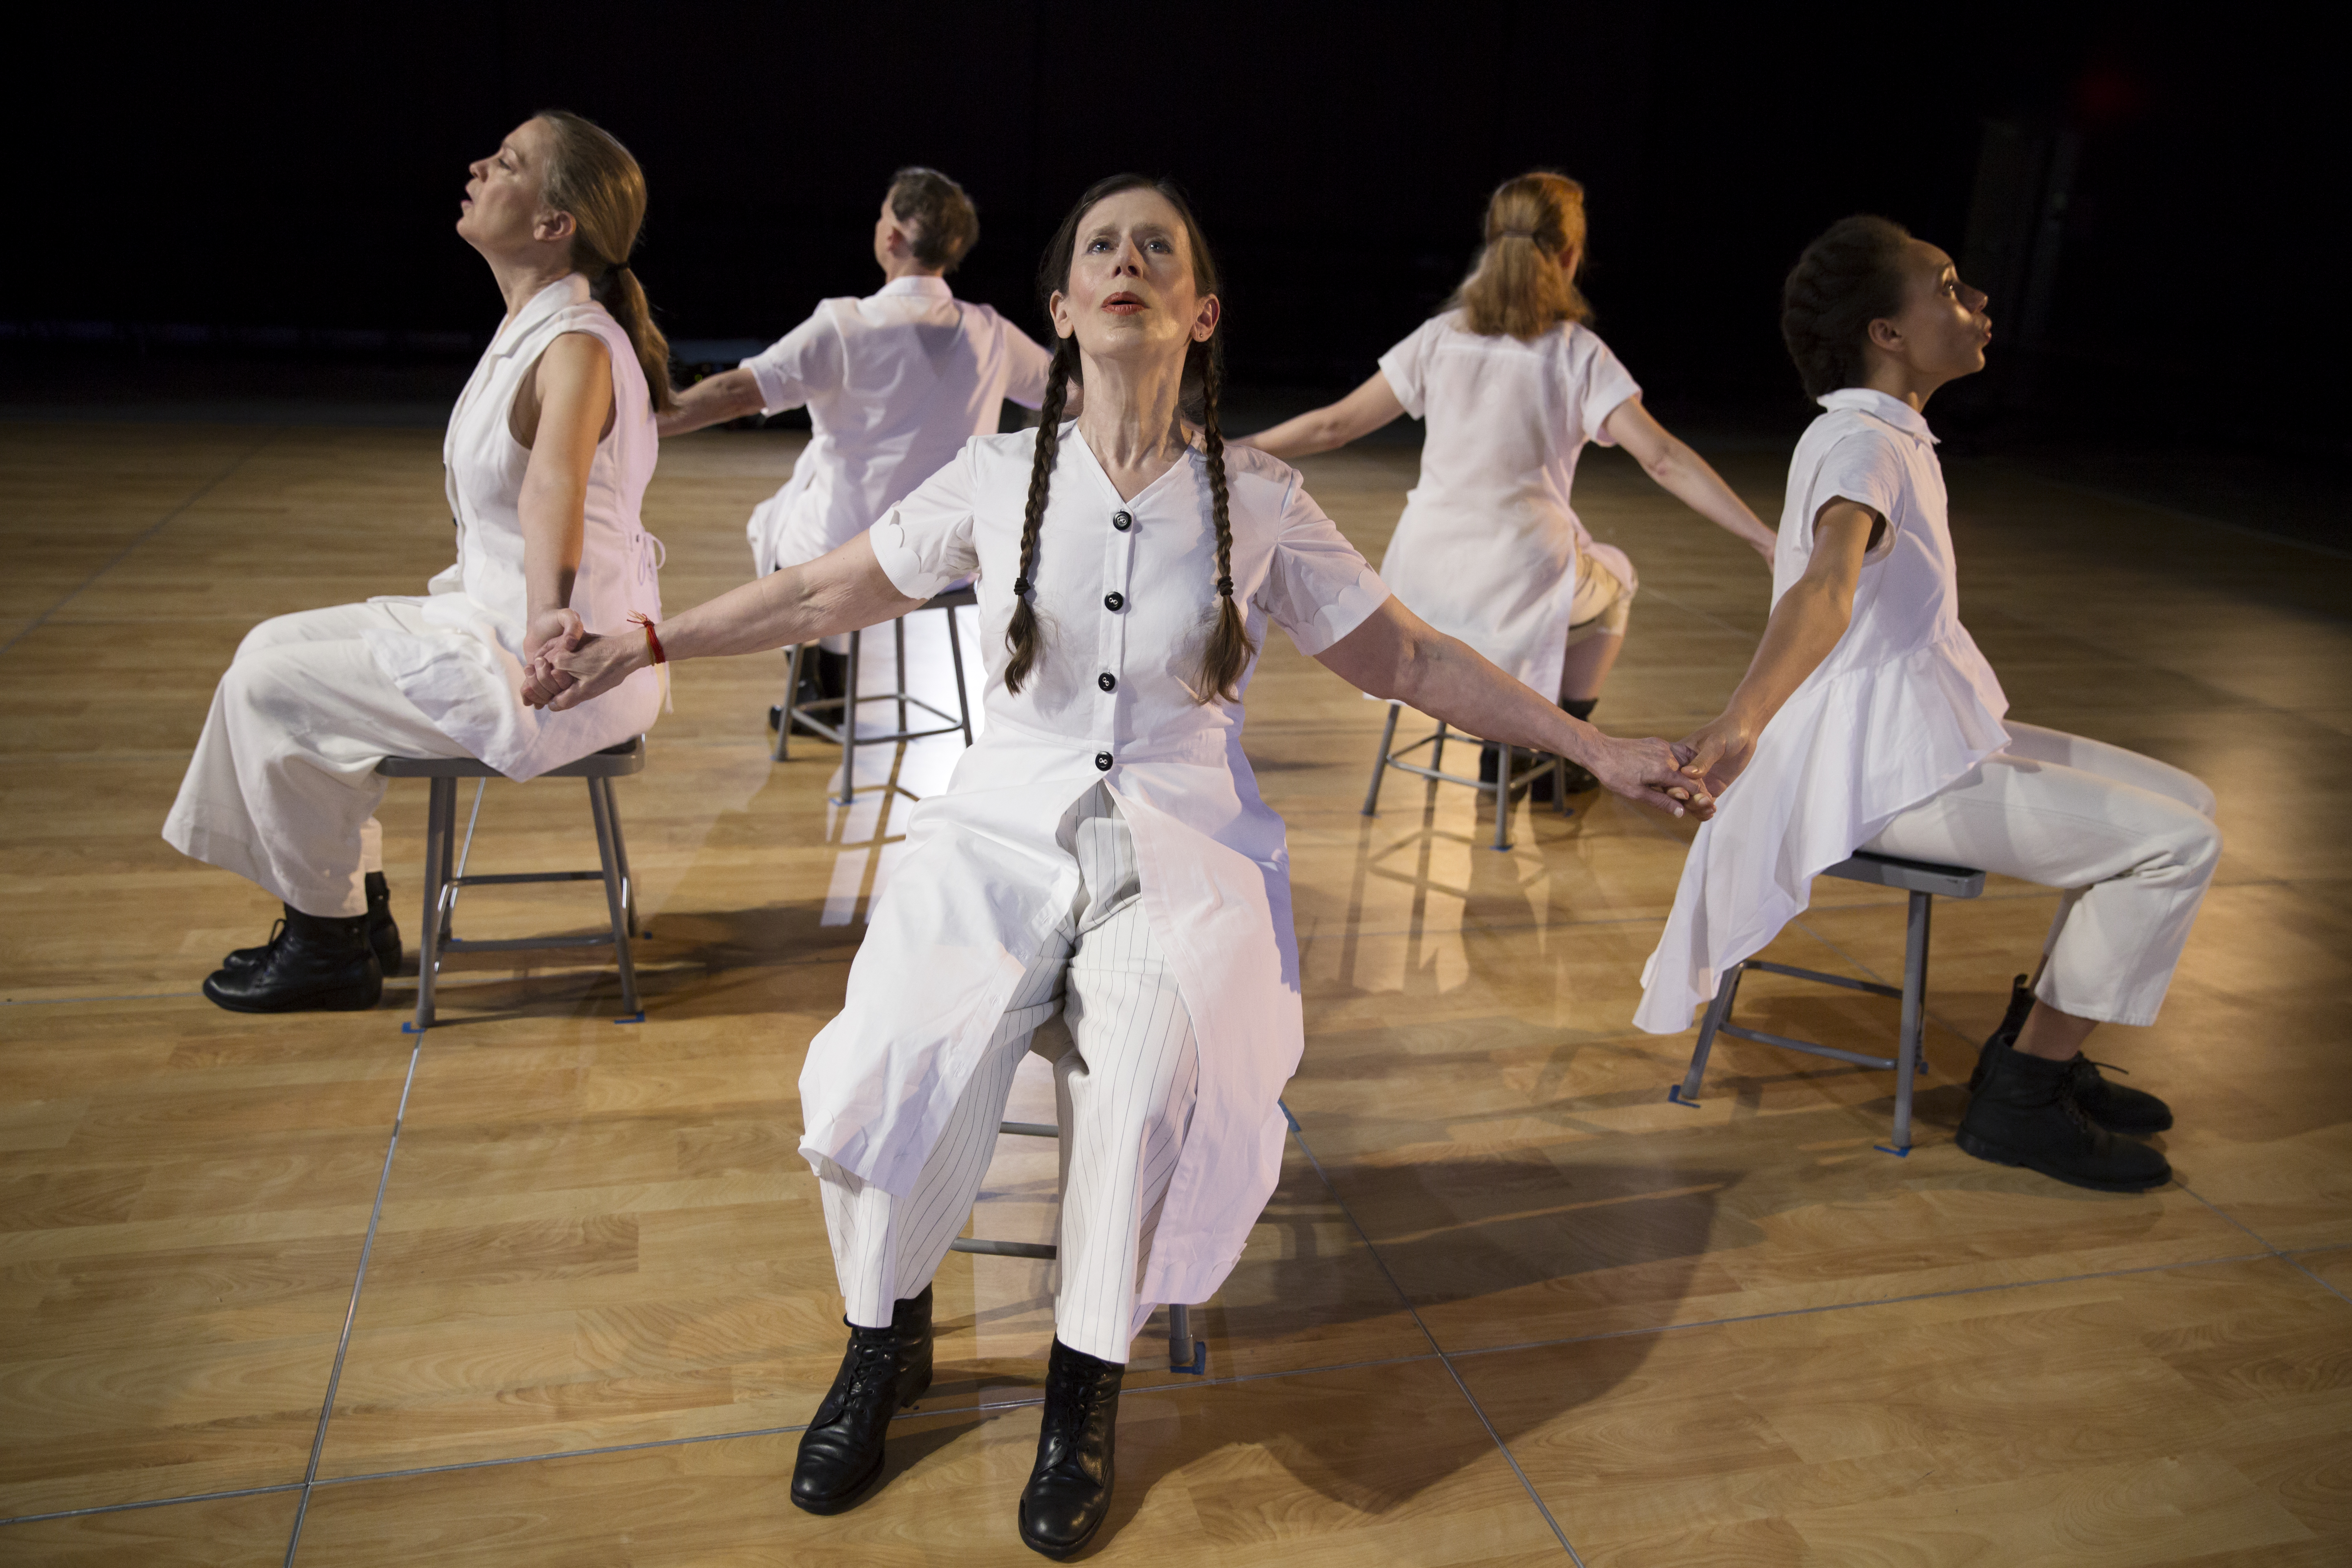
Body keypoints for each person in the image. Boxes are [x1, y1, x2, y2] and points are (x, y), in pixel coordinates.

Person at [525, 174, 1709, 1557]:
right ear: (1063, 307)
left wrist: (1594, 742)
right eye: (1102, 247)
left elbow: (1414, 659)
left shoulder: (1256, 498)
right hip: (997, 834)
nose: (1129, 261)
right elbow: (816, 591)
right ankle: (883, 1343)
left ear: (1201, 312)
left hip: (1183, 851)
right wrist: (643, 642)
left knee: (1149, 1090)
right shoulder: (998, 478)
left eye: (1161, 248)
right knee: (897, 1056)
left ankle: (1082, 1391)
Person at [1638, 216, 2220, 1193]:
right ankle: (2023, 1096)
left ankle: (2034, 1050)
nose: (1978, 301)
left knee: (2189, 803)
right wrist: (1741, 718)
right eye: (1949, 287)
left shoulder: (1883, 434)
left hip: (1907, 735)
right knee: (2178, 846)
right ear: (1887, 335)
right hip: (1869, 769)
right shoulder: (1862, 442)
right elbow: (1825, 586)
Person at [162, 111, 670, 1013]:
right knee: (267, 648)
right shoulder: (537, 328)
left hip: (557, 663)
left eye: (509, 162)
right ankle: (351, 914)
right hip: (492, 621)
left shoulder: (579, 345)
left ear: (556, 224)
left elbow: (552, 485)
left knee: (271, 688)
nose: (478, 165)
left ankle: (329, 940)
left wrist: (551, 607)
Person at [1238, 171, 1775, 791]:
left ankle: (1530, 746)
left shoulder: (1441, 338)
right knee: (1617, 582)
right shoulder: (1577, 354)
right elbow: (1663, 459)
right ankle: (1556, 754)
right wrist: (1763, 537)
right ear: (1571, 258)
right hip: (1521, 578)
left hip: (1420, 580)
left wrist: (1231, 448)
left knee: (1587, 571)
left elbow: (1333, 426)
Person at [657, 167, 1063, 727]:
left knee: (772, 522)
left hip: (847, 556)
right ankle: (822, 678)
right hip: (951, 562)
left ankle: (816, 679)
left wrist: (643, 423)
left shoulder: (846, 324)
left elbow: (735, 393)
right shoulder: (988, 332)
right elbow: (1072, 397)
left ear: (893, 236)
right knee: (804, 503)